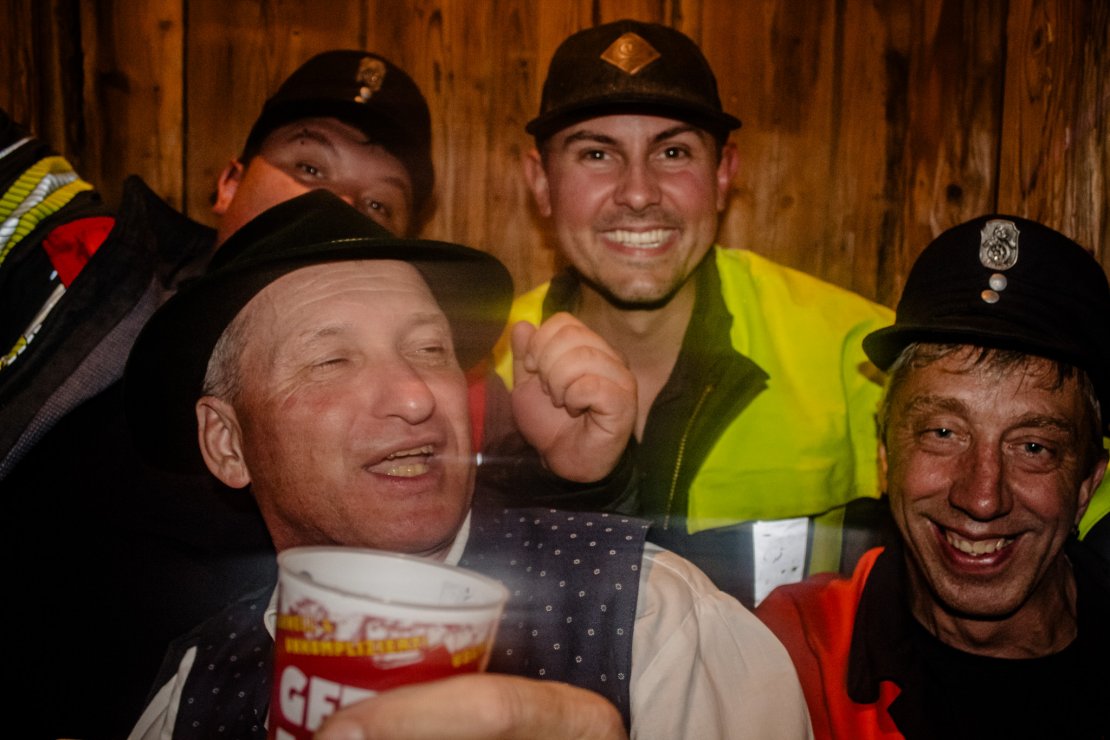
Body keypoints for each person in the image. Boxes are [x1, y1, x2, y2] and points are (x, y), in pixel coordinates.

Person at [2, 50, 625, 739]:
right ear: (229, 182)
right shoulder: (96, 302)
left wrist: (573, 476)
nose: (338, 206)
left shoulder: (462, 392)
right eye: (309, 168)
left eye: (379, 203)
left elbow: (557, 571)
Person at [124, 189, 812, 740]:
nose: (417, 396)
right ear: (227, 442)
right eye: (331, 360)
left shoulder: (649, 613)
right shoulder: (195, 688)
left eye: (431, 351)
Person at [492, 19, 896, 607]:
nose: (638, 193)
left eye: (673, 152)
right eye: (597, 154)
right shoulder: (482, 369)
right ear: (540, 181)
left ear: (723, 173)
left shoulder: (858, 351)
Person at [755, 214, 1110, 739]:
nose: (982, 498)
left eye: (1033, 447)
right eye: (943, 433)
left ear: (1086, 486)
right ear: (885, 455)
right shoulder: (794, 653)